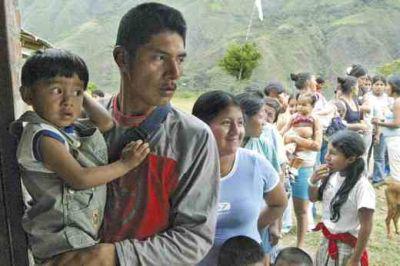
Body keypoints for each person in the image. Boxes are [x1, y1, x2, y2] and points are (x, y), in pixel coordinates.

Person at [50, 3, 220, 265]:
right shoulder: (80, 125)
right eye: (159, 58)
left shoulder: (193, 139)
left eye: (180, 59)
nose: (175, 73)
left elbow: (194, 238)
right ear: (122, 58)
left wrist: (114, 255)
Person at [11, 49, 150, 263]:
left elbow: (106, 123)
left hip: (77, 234)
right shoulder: (42, 135)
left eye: (77, 93)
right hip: (61, 238)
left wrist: (76, 91)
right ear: (28, 95)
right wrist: (125, 165)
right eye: (56, 90)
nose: (68, 101)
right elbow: (80, 179)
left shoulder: (67, 128)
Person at [193, 90, 287, 266]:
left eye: (240, 123)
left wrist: (251, 227)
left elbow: (279, 203)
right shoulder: (184, 168)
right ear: (200, 126)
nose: (236, 131)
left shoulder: (255, 163)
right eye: (226, 123)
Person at [309, 130, 375, 266]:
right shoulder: (332, 176)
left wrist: (355, 259)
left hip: (347, 249)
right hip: (326, 242)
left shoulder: (362, 187)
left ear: (351, 158)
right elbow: (313, 199)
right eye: (327, 152)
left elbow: (366, 226)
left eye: (333, 154)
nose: (327, 157)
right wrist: (313, 182)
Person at [281, 92, 323, 249]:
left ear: (312, 106)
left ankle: (300, 244)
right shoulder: (293, 118)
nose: (300, 107)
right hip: (287, 164)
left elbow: (317, 145)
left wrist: (296, 139)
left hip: (304, 167)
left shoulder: (315, 120)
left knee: (301, 209)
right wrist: (288, 138)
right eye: (298, 104)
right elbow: (281, 134)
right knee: (279, 203)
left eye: (304, 104)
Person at [372, 75, 400, 183]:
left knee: (396, 172)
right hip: (394, 140)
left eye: (387, 85)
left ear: (395, 87)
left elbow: (397, 124)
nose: (386, 88)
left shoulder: (397, 102)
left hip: (395, 140)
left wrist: (378, 122)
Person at [368, 75, 391, 185]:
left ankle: (378, 178)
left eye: (382, 84)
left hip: (382, 129)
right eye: (376, 84)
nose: (379, 87)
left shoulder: (388, 98)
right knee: (365, 154)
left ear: (385, 86)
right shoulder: (367, 97)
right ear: (372, 85)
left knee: (379, 155)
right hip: (368, 129)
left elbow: (389, 115)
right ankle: (363, 176)